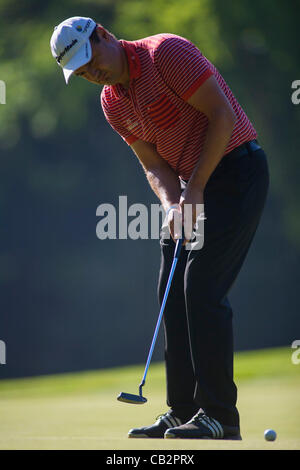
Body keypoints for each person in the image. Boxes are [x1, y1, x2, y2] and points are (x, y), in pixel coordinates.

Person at [50, 16, 269, 440]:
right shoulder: (112, 102)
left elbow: (222, 116)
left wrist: (196, 189)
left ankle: (220, 415)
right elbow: (152, 164)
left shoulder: (165, 53)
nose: (90, 73)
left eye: (89, 59)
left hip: (238, 170)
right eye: (80, 72)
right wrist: (173, 204)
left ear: (104, 36)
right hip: (192, 185)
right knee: (169, 289)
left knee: (200, 287)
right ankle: (183, 410)